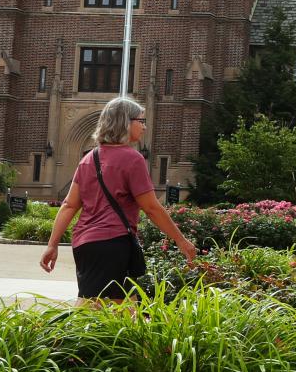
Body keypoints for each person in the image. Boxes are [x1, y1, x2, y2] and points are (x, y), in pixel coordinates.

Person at [39, 96, 197, 302]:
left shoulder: (89, 159)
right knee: (97, 309)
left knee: (123, 306)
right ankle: (59, 335)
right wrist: (181, 240)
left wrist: (52, 245)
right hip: (112, 244)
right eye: (141, 121)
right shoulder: (132, 159)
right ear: (125, 122)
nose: (144, 127)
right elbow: (151, 208)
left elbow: (69, 205)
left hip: (85, 245)